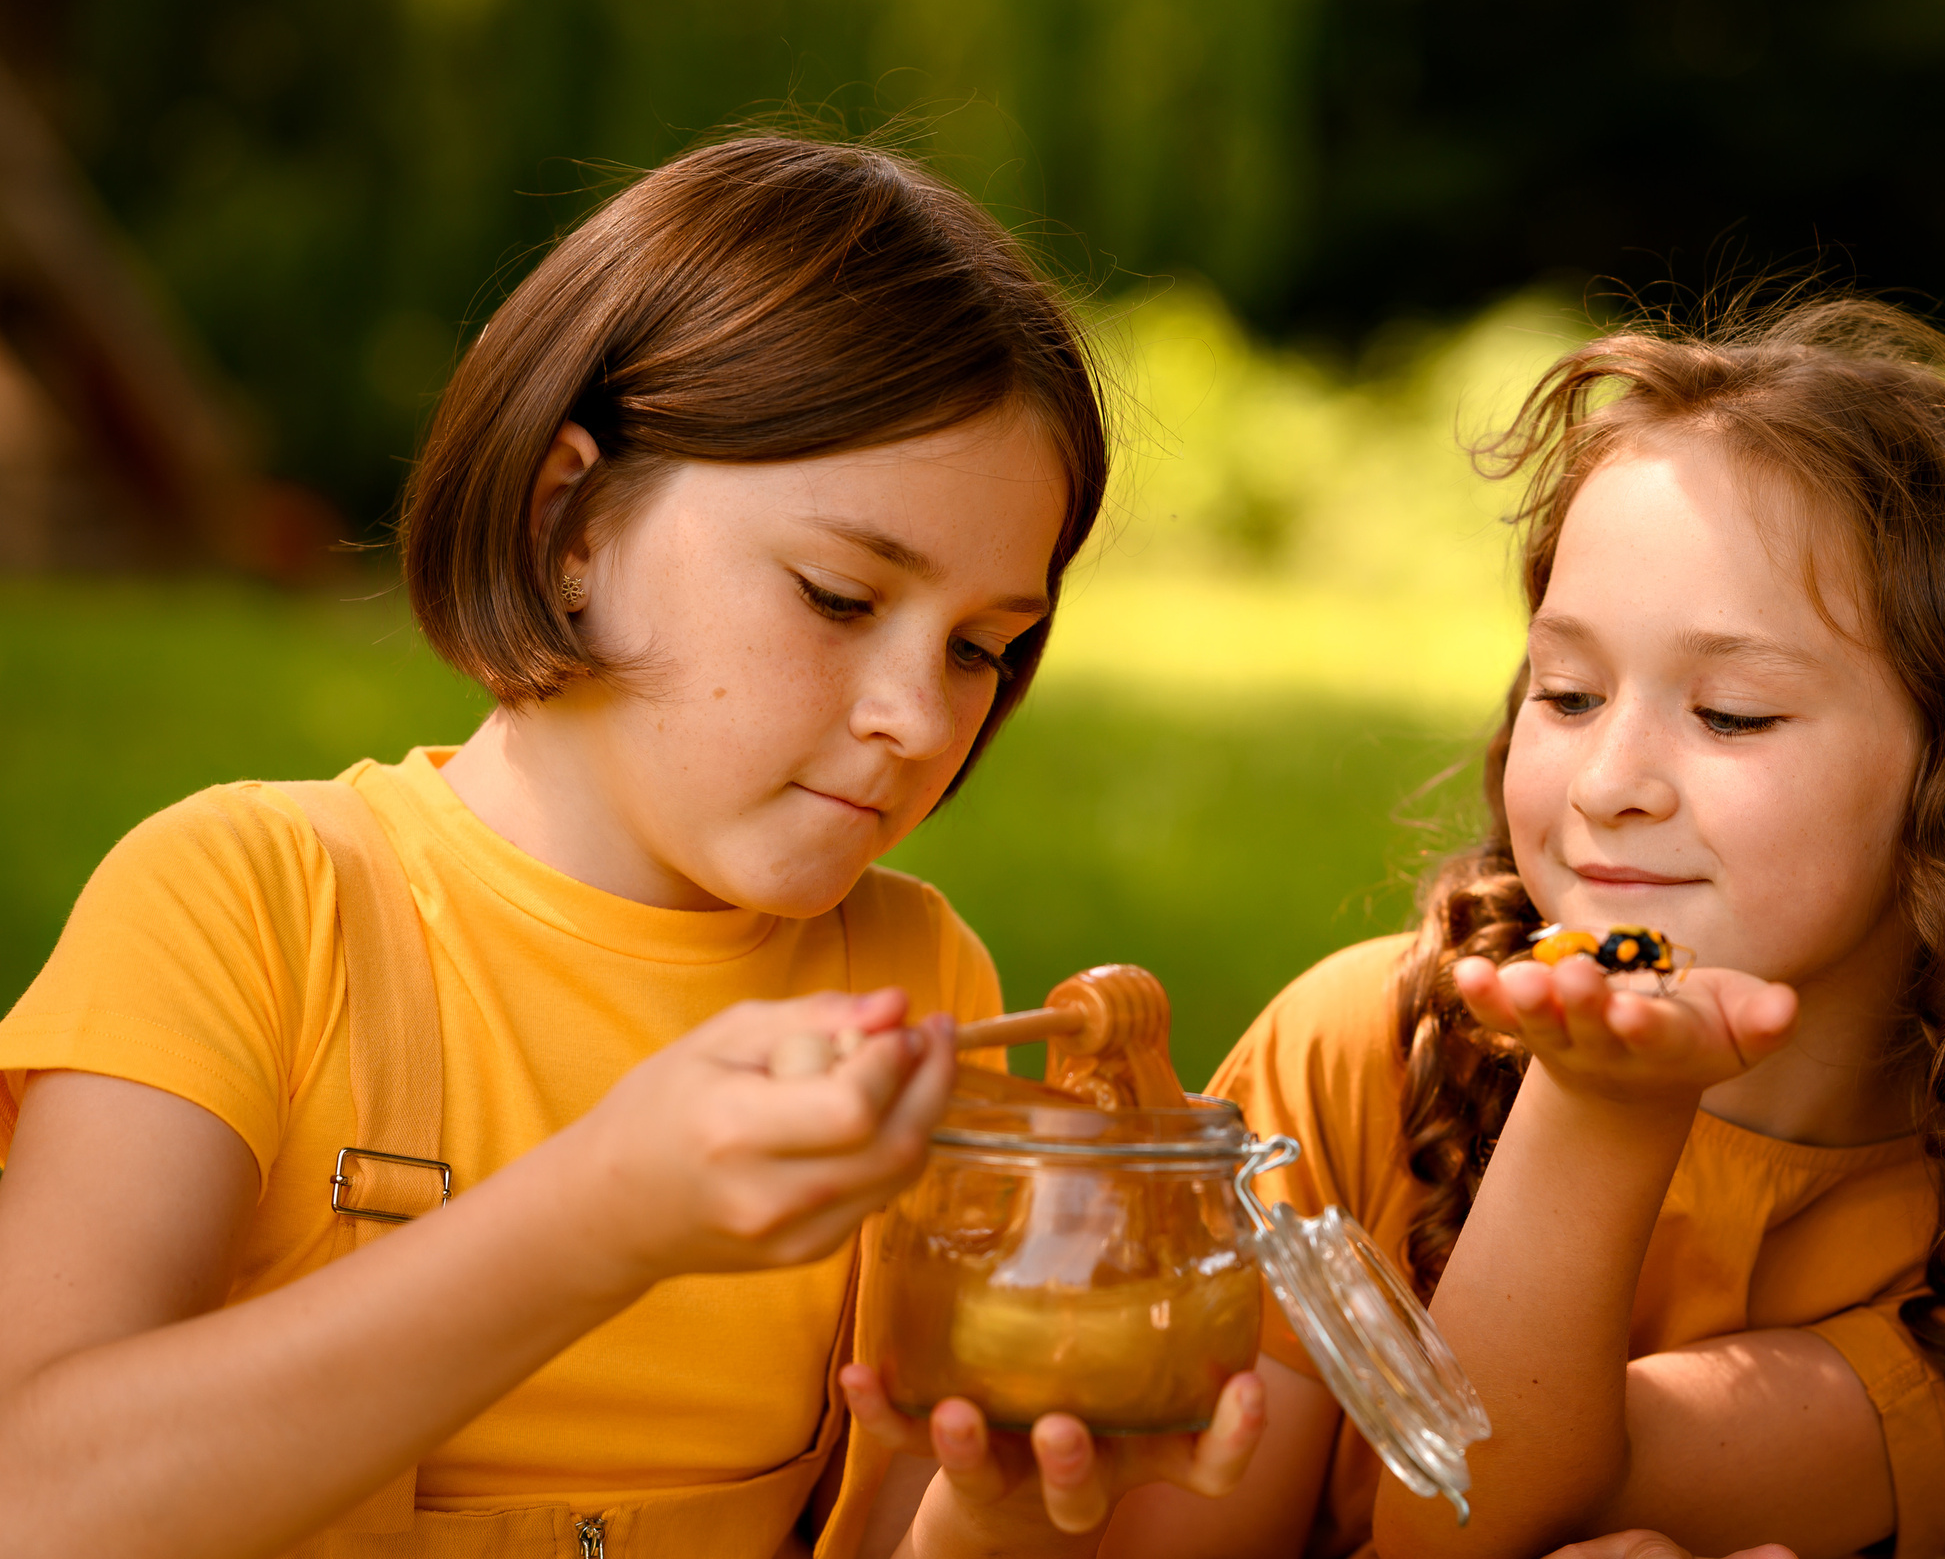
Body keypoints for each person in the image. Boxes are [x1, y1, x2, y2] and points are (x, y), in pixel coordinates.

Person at [0, 133, 1265, 1558]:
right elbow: (32, 1496)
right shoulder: (247, 905)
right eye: (841, 598)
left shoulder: (918, 979)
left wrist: (1001, 1505)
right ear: (569, 520)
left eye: (985, 646)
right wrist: (603, 1216)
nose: (920, 718)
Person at [1096, 302, 1945, 1559]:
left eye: (1729, 715)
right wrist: (1601, 1094)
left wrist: (1600, 1102)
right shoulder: (1359, 1049)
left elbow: (1481, 1513)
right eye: (1566, 693)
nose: (1610, 779)